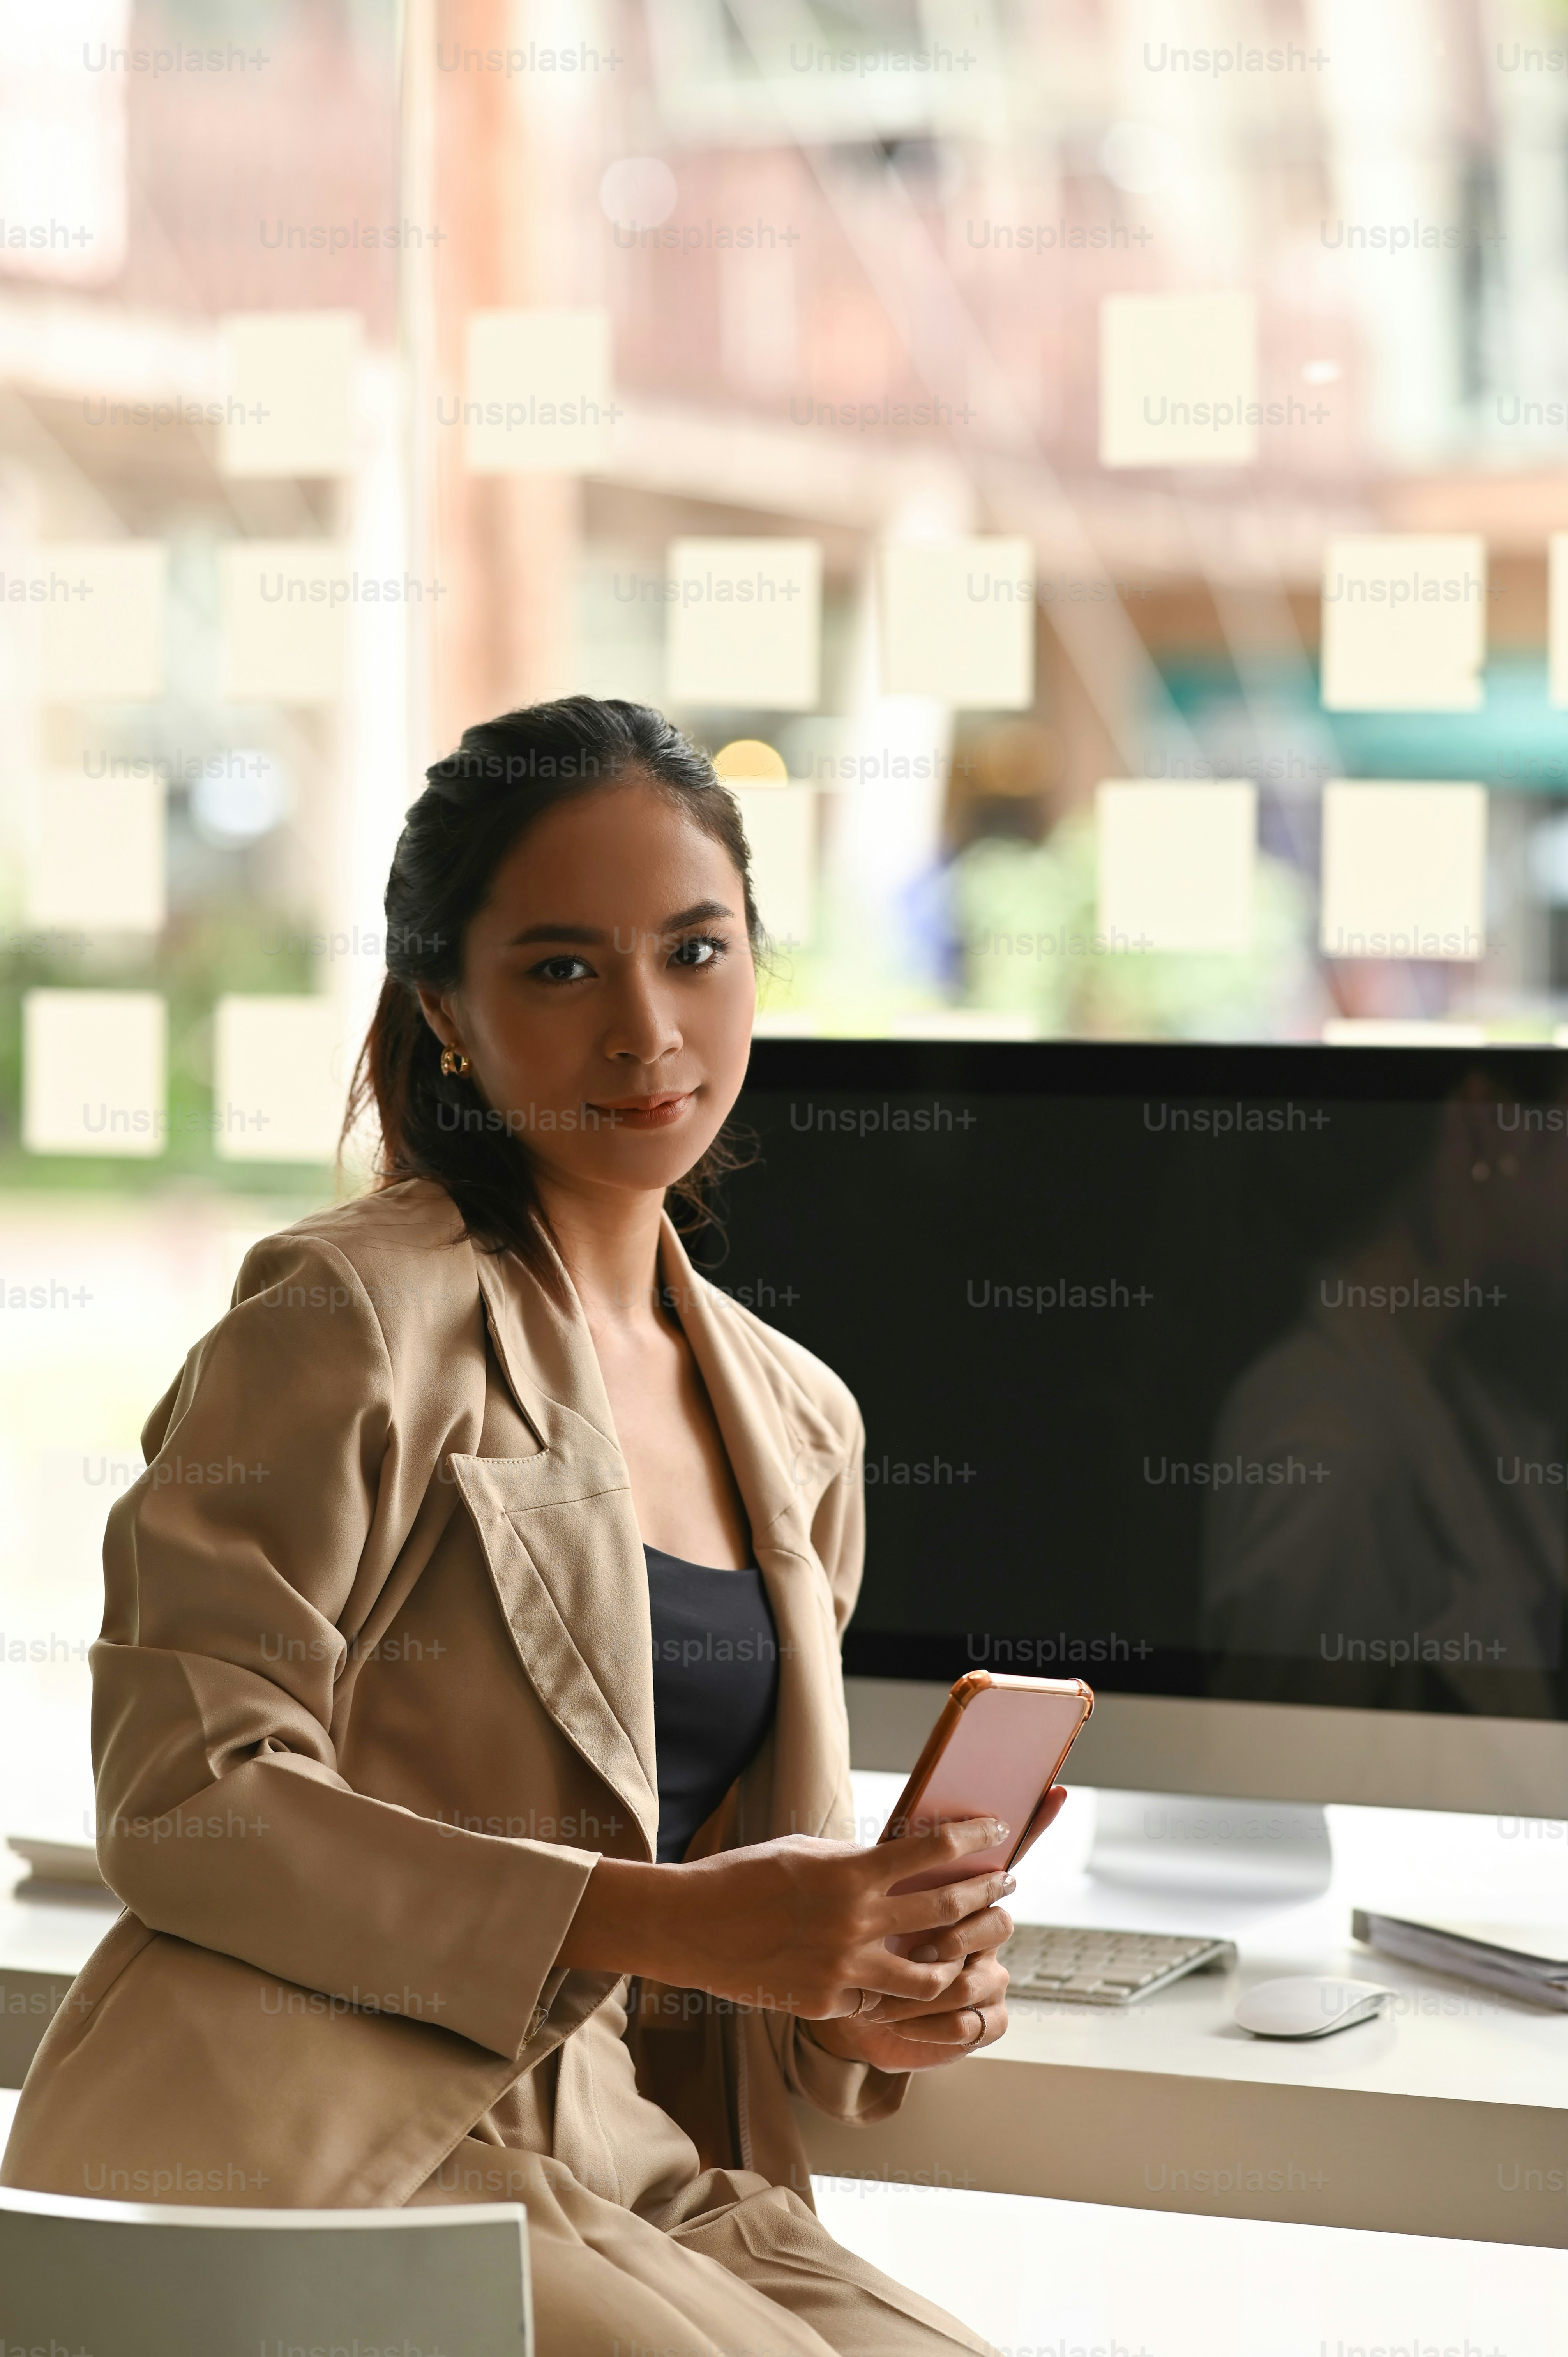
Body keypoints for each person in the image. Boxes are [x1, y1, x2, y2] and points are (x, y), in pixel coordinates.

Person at [2, 697, 1066, 2357]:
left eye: (696, 952)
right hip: (320, 2141)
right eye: (562, 968)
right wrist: (662, 1921)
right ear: (445, 1008)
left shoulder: (798, 1420)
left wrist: (878, 1990)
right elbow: (180, 1798)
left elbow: (730, 1948)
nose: (647, 1029)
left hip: (627, 2154)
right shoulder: (347, 1317)